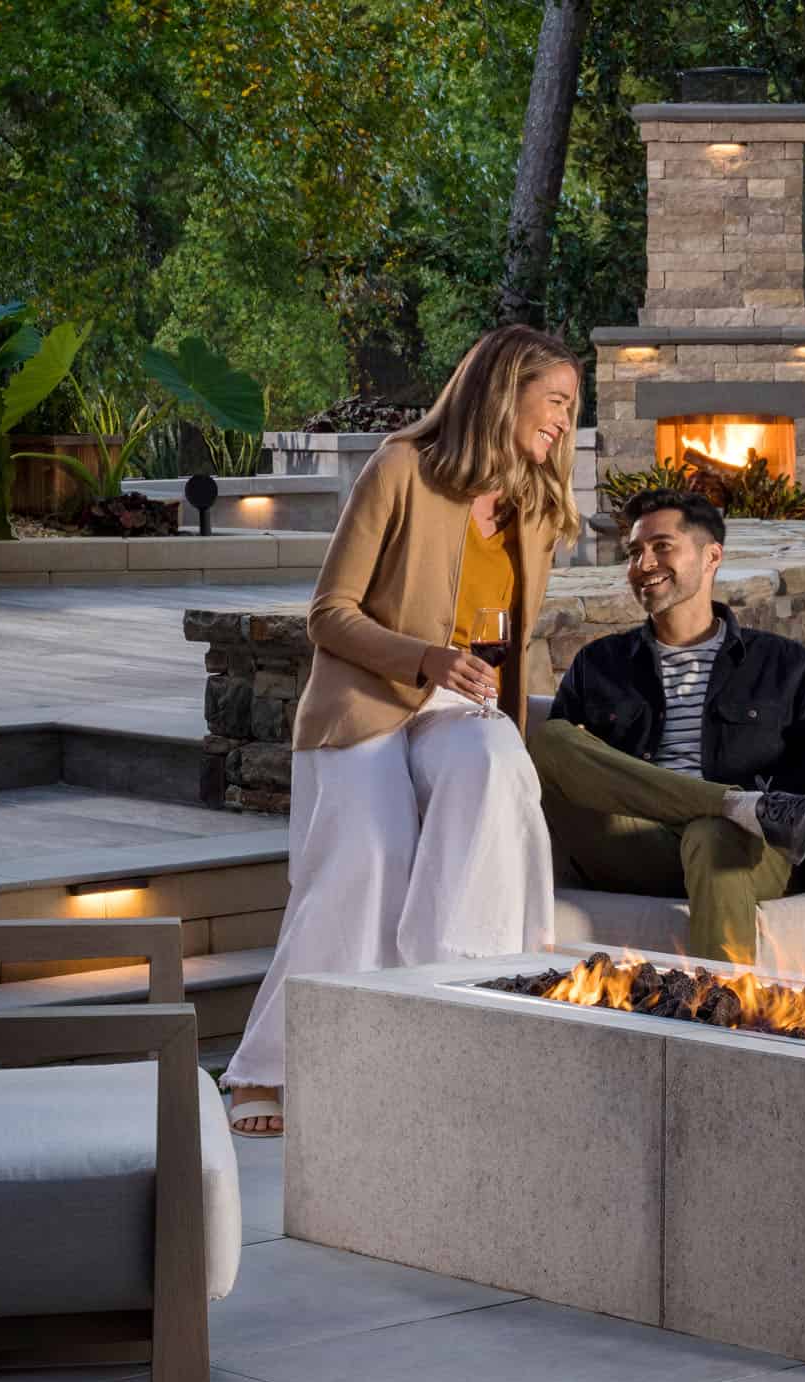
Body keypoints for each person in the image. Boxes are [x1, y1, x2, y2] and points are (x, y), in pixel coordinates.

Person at [222, 326, 583, 1138]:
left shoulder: (536, 507)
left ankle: (449, 1001)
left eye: (570, 407)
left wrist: (481, 690)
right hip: (368, 702)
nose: (563, 421)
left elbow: (513, 646)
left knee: (499, 773)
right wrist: (426, 658)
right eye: (555, 401)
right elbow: (328, 615)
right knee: (368, 858)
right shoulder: (400, 470)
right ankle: (266, 1068)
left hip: (460, 709)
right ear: (503, 389)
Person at [528, 488, 805, 965]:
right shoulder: (599, 664)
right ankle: (741, 804)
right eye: (634, 552)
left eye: (662, 546)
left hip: (748, 851)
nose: (644, 563)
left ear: (711, 557)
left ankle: (721, 1022)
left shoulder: (781, 665)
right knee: (551, 740)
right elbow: (563, 769)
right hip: (635, 848)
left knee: (713, 834)